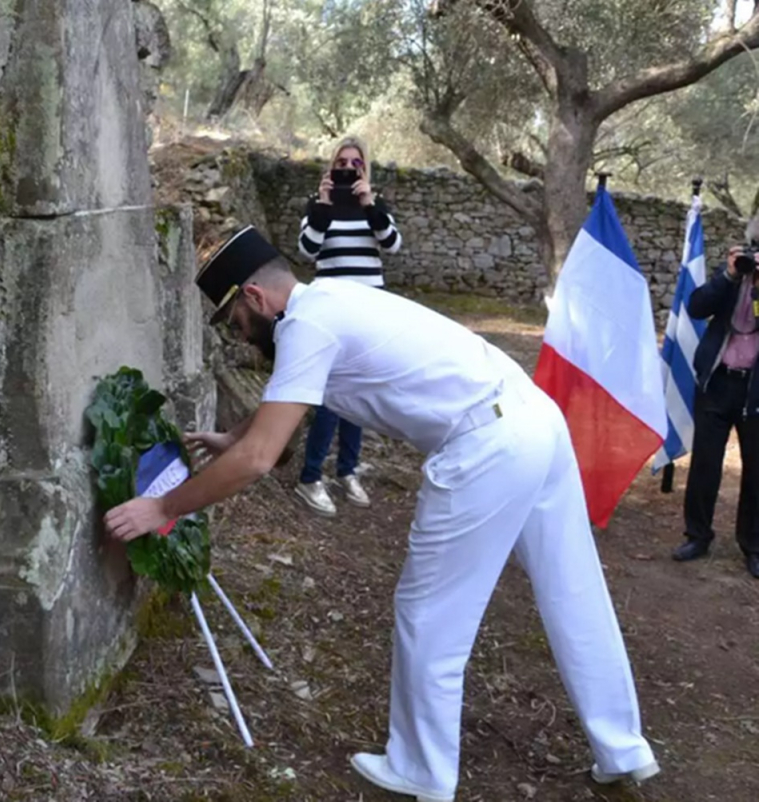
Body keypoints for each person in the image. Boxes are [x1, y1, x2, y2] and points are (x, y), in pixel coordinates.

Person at [104, 226, 659, 802]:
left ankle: (422, 768)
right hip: (533, 419)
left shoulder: (305, 329)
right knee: (573, 589)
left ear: (254, 298)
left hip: (487, 445)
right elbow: (280, 413)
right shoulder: (329, 300)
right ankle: (622, 747)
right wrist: (232, 435)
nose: (238, 337)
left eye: (233, 322)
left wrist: (161, 507)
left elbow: (259, 460)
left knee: (430, 614)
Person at [293, 135, 403, 515]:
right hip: (331, 311)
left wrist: (370, 204)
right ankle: (310, 476)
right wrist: (323, 207)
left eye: (356, 163)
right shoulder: (317, 205)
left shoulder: (375, 204)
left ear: (364, 167)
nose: (348, 168)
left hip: (369, 311)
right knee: (330, 395)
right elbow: (306, 250)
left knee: (358, 393)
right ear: (332, 165)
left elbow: (392, 245)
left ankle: (348, 469)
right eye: (342, 162)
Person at [670, 232, 759, 579]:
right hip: (717, 382)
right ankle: (697, 536)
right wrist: (730, 275)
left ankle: (753, 545)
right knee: (706, 464)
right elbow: (696, 306)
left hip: (754, 391)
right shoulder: (732, 278)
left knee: (756, 471)